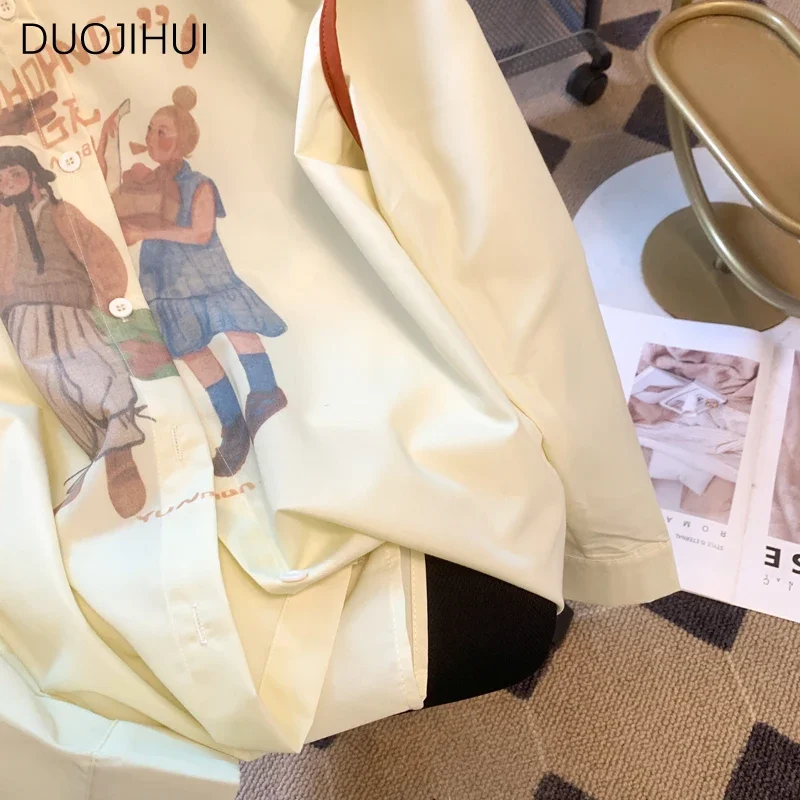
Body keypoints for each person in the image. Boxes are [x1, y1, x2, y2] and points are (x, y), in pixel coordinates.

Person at [98, 87, 288, 477]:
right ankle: (233, 424)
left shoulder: (198, 183)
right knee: (192, 350)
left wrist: (147, 232)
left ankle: (265, 394)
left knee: (238, 328)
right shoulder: (146, 184)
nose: (153, 138)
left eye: (163, 132)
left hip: (206, 275)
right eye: (150, 131)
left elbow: (200, 233)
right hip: (165, 282)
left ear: (184, 140)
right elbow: (117, 210)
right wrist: (108, 145)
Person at [0, 144, 146, 518]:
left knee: (99, 367)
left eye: (15, 174)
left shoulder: (62, 213)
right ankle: (101, 453)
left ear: (33, 174)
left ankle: (121, 443)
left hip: (72, 304)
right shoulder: (2, 224)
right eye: (1, 180)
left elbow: (100, 251)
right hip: (23, 314)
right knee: (53, 386)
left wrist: (107, 295)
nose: (9, 184)